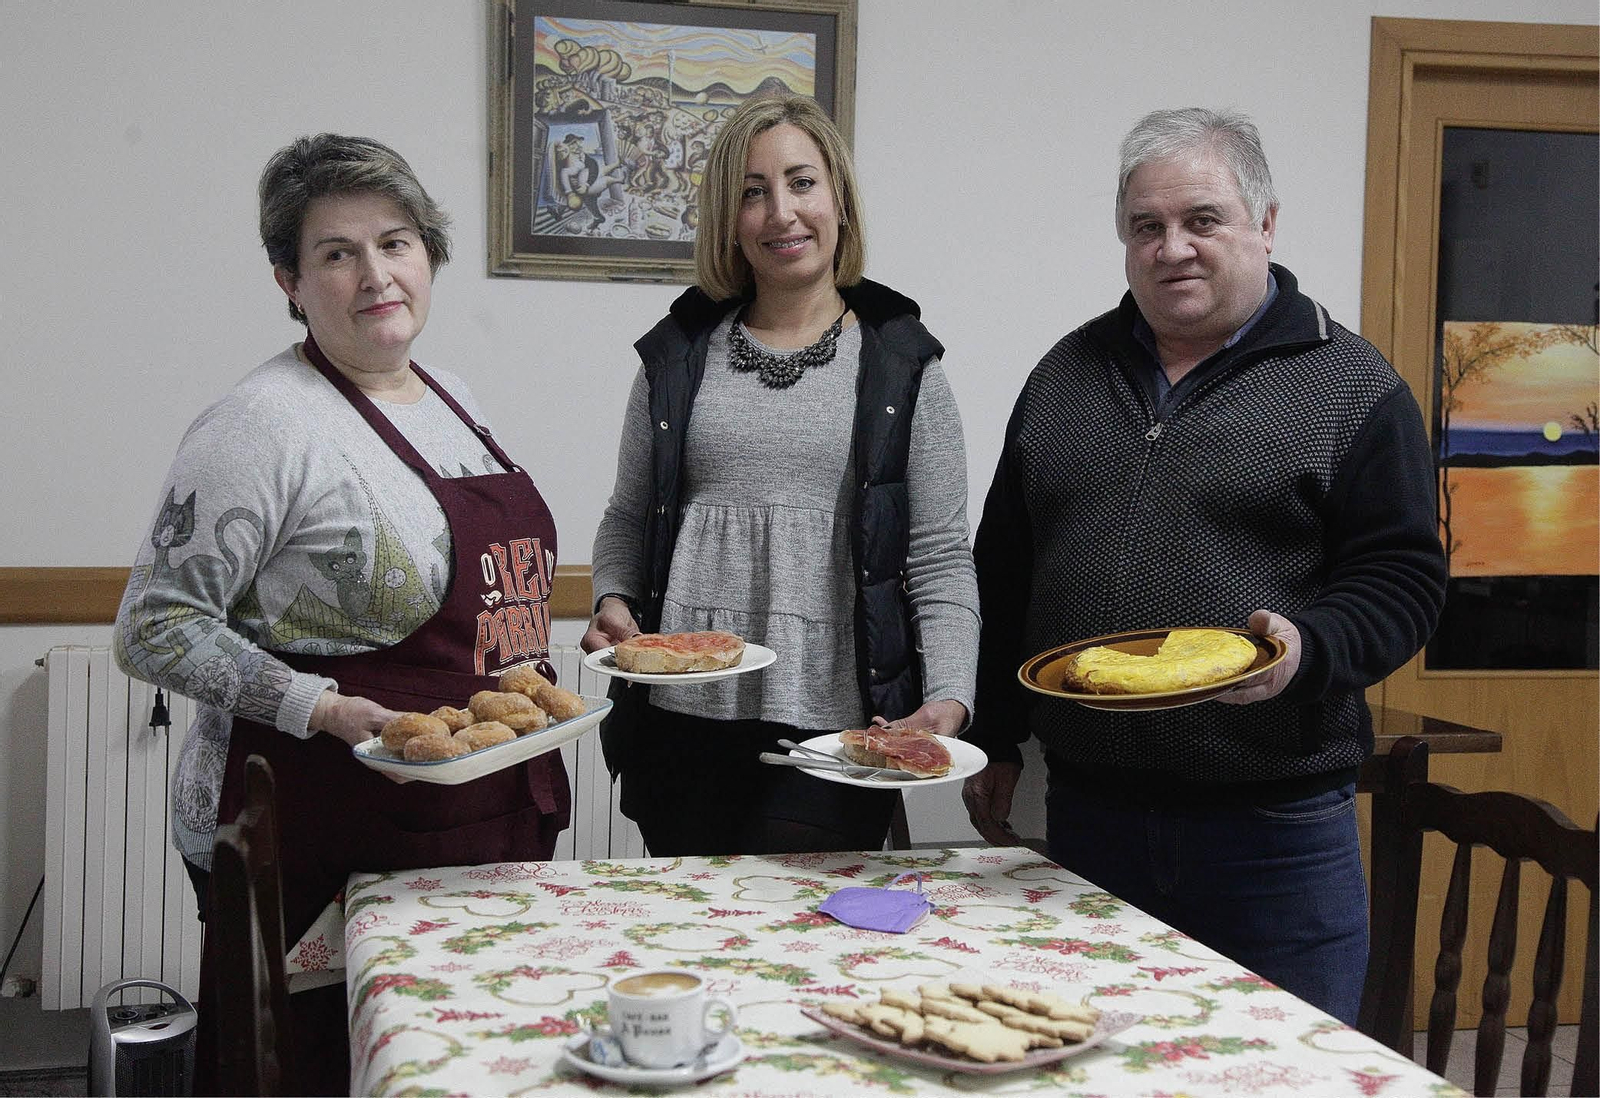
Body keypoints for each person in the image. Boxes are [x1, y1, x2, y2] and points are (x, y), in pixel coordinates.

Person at [960, 107, 1446, 1025]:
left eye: (1202, 220)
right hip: (1091, 819)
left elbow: (1403, 584)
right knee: (1091, 1064)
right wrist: (995, 737)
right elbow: (1005, 571)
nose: (1172, 248)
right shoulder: (1064, 373)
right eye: (1147, 227)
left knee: (1283, 1072)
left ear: (1264, 225)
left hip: (1276, 835)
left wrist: (1307, 650)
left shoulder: (1355, 388)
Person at [114, 133, 569, 1091]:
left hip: (472, 812)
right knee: (318, 1074)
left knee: (459, 1062)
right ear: (289, 278)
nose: (375, 275)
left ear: (429, 255)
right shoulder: (262, 424)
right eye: (337, 252)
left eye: (396, 243)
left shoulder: (450, 399)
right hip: (323, 822)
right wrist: (318, 706)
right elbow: (153, 624)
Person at [584, 94, 979, 856]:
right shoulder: (675, 359)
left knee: (799, 941)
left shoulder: (905, 368)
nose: (781, 213)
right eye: (752, 192)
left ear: (839, 200)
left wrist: (951, 695)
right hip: (680, 724)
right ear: (728, 219)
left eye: (801, 183)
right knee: (699, 939)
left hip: (840, 730)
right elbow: (628, 516)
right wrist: (611, 596)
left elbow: (937, 553)